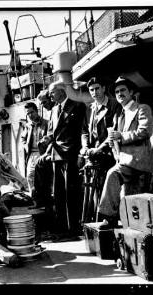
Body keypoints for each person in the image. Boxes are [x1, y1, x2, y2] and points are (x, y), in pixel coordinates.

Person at [97, 76, 153, 225]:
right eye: (116, 92)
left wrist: (120, 136)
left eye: (123, 90)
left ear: (131, 92)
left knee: (112, 174)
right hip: (125, 161)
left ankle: (108, 218)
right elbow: (116, 138)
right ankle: (118, 218)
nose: (119, 94)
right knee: (112, 175)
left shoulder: (142, 108)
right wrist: (112, 141)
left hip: (138, 161)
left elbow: (145, 131)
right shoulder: (119, 115)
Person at [37, 81, 88, 241]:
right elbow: (53, 132)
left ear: (62, 91)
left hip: (70, 154)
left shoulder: (77, 106)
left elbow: (81, 131)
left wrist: (80, 154)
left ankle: (73, 229)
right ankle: (61, 228)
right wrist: (47, 139)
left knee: (70, 193)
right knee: (59, 193)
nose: (50, 95)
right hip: (56, 155)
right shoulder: (53, 110)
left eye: (52, 92)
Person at [80, 77, 121, 168]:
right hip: (93, 153)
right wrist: (85, 147)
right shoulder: (89, 108)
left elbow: (115, 131)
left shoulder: (115, 105)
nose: (95, 92)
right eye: (92, 90)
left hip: (110, 152)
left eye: (97, 88)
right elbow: (84, 131)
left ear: (103, 88)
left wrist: (99, 149)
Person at [20, 102, 49, 202]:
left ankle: (44, 201)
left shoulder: (46, 123)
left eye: (32, 112)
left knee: (43, 179)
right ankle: (35, 201)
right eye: (28, 113)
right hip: (31, 154)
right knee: (30, 177)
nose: (30, 115)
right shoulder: (28, 125)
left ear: (37, 111)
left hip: (43, 154)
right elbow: (23, 138)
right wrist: (25, 147)